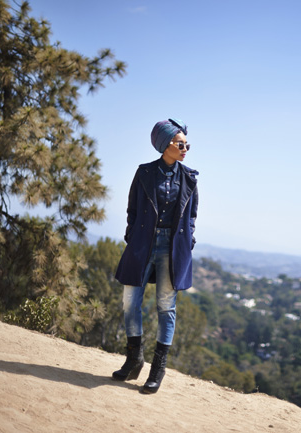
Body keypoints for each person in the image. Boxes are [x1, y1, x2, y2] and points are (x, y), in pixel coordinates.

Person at [112, 118, 198, 394]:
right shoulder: (144, 173)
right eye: (180, 144)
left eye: (187, 145)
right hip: (142, 244)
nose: (185, 149)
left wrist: (189, 240)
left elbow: (192, 216)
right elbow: (132, 209)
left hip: (172, 248)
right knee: (130, 302)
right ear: (165, 144)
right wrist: (132, 236)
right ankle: (134, 359)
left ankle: (157, 370)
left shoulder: (189, 178)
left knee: (165, 307)